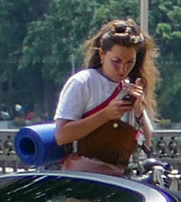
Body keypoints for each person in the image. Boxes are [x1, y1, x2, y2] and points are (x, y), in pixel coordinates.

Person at [54, 19, 157, 175]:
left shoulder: (129, 86)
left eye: (130, 62)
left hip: (119, 178)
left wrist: (138, 109)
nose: (122, 69)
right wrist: (105, 115)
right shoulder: (83, 82)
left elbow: (147, 141)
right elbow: (62, 135)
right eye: (116, 61)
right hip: (84, 178)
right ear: (102, 54)